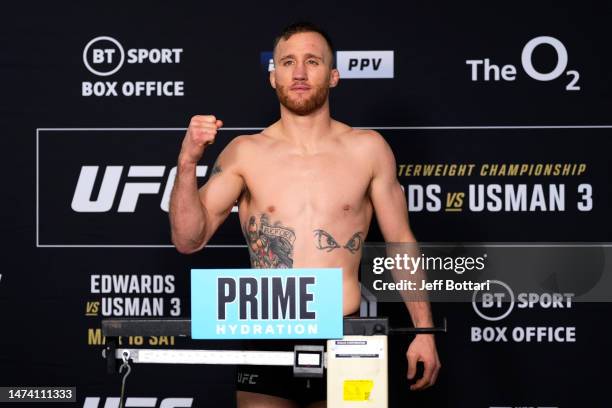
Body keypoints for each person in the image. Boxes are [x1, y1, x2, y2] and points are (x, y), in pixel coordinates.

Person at [169, 21, 441, 408]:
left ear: (333, 76)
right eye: (288, 62)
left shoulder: (368, 148)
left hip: (348, 332)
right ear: (273, 75)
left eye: (312, 62)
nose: (298, 73)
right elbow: (188, 239)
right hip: (266, 328)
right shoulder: (245, 152)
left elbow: (400, 242)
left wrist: (424, 330)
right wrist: (187, 160)